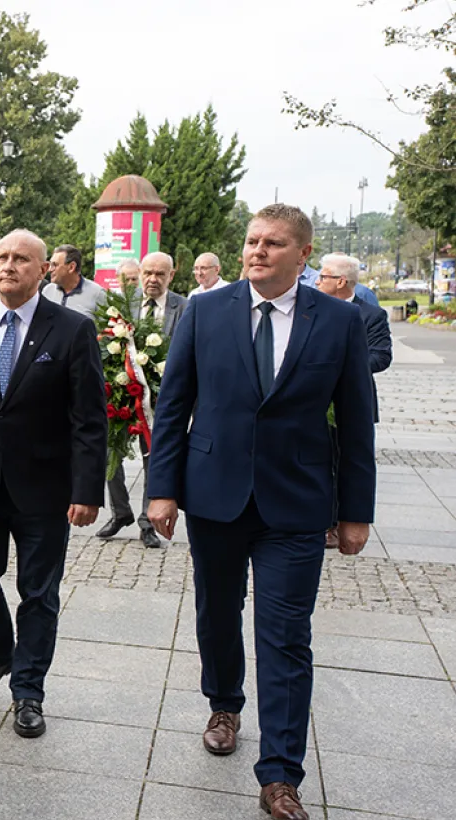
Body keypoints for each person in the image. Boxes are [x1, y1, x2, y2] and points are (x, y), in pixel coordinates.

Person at [147, 205, 376, 820]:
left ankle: (280, 776)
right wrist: (161, 488)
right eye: (251, 241)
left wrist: (356, 511)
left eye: (273, 244)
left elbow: (357, 422)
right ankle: (224, 703)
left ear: (303, 255)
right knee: (217, 614)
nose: (257, 252)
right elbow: (173, 406)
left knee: (285, 636)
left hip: (296, 503)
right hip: (215, 494)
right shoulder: (205, 311)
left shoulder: (338, 322)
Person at [0, 229, 107, 739]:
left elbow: (89, 420)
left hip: (46, 488)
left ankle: (28, 690)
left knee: (39, 593)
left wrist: (87, 489)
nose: (7, 265)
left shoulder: (72, 330)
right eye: (0, 258)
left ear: (43, 269)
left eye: (21, 259)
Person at [99, 252, 187, 548]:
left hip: (162, 401)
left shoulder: (185, 308)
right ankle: (120, 512)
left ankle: (147, 522)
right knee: (110, 454)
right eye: (148, 272)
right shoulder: (125, 304)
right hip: (124, 395)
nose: (152, 279)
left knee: (155, 460)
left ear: (171, 276)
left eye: (160, 274)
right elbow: (109, 345)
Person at [317, 253, 392, 550]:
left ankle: (337, 522)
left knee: (344, 462)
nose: (317, 280)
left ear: (340, 281)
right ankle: (321, 520)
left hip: (350, 401)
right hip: (316, 401)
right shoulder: (312, 309)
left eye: (323, 276)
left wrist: (344, 366)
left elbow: (381, 356)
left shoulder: (371, 315)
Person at [42, 244, 107, 317]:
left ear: (71, 267)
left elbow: (106, 326)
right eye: (50, 264)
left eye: (55, 265)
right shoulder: (47, 291)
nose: (50, 269)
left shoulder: (98, 294)